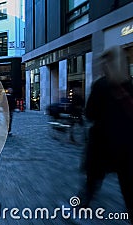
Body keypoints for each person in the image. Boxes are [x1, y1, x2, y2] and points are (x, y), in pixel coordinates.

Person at [78, 46, 133, 222]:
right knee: (128, 187)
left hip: (103, 144)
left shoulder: (101, 85)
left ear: (107, 64)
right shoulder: (130, 85)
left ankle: (79, 208)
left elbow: (90, 114)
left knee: (92, 182)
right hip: (127, 145)